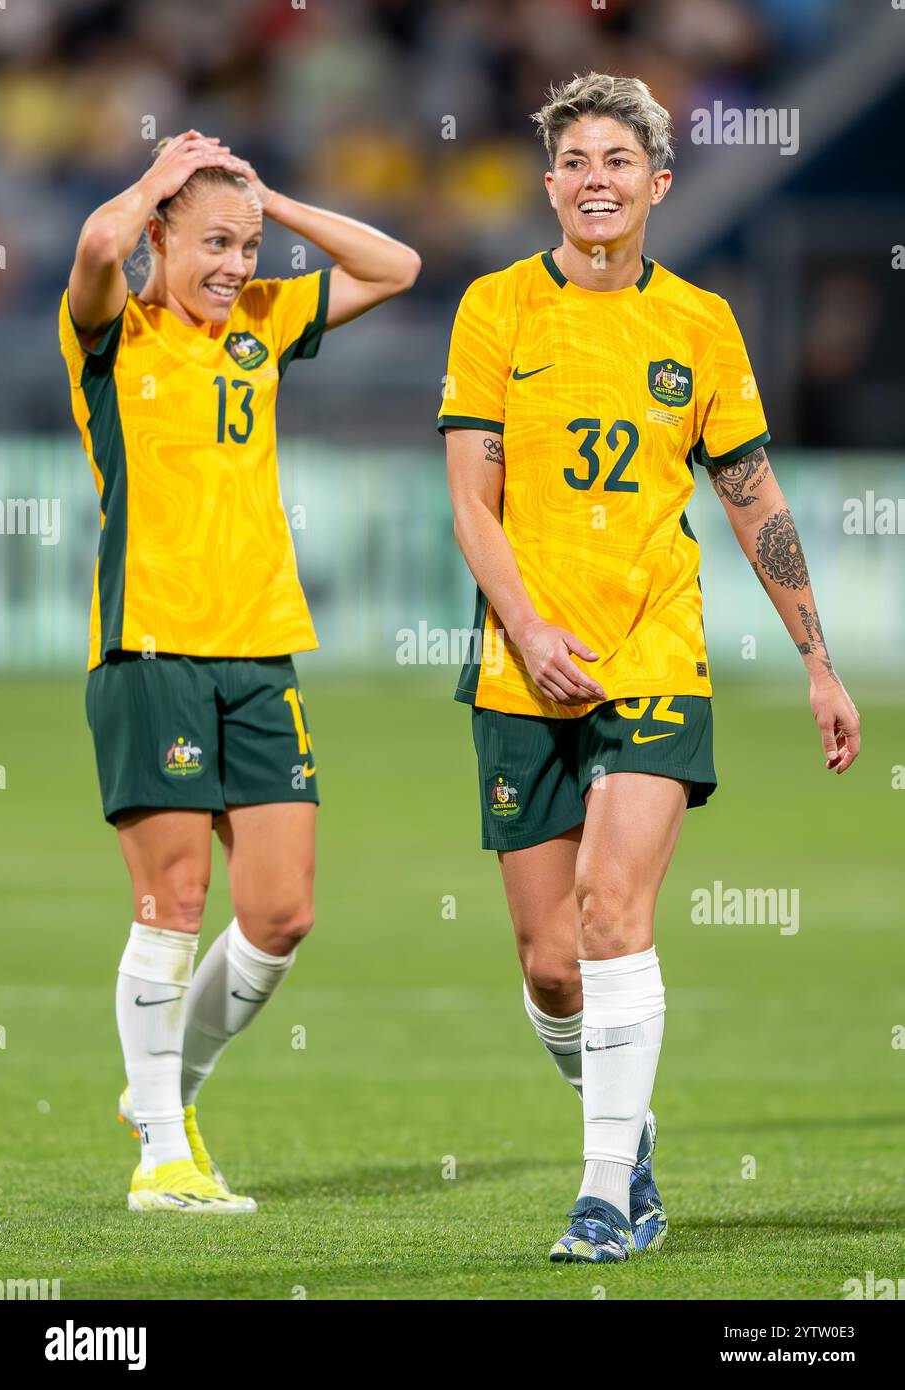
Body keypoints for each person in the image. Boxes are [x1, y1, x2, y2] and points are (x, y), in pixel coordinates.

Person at [439, 74, 859, 1263]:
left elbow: (752, 498)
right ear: (549, 182)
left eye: (617, 160)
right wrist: (525, 629)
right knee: (550, 966)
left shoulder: (701, 324)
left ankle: (598, 1194)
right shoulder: (496, 309)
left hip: (655, 656)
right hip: (523, 667)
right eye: (574, 159)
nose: (595, 180)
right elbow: (472, 502)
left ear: (658, 184)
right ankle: (628, 1130)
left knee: (612, 913)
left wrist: (817, 663)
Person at [59, 130, 420, 1213]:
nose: (234, 265)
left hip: (262, 650)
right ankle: (162, 1153)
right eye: (213, 242)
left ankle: (162, 1090)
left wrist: (276, 204)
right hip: (153, 649)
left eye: (247, 246)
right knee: (174, 898)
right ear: (158, 239)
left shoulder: (266, 321)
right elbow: (90, 249)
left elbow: (393, 267)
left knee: (282, 910)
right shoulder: (115, 334)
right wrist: (151, 181)